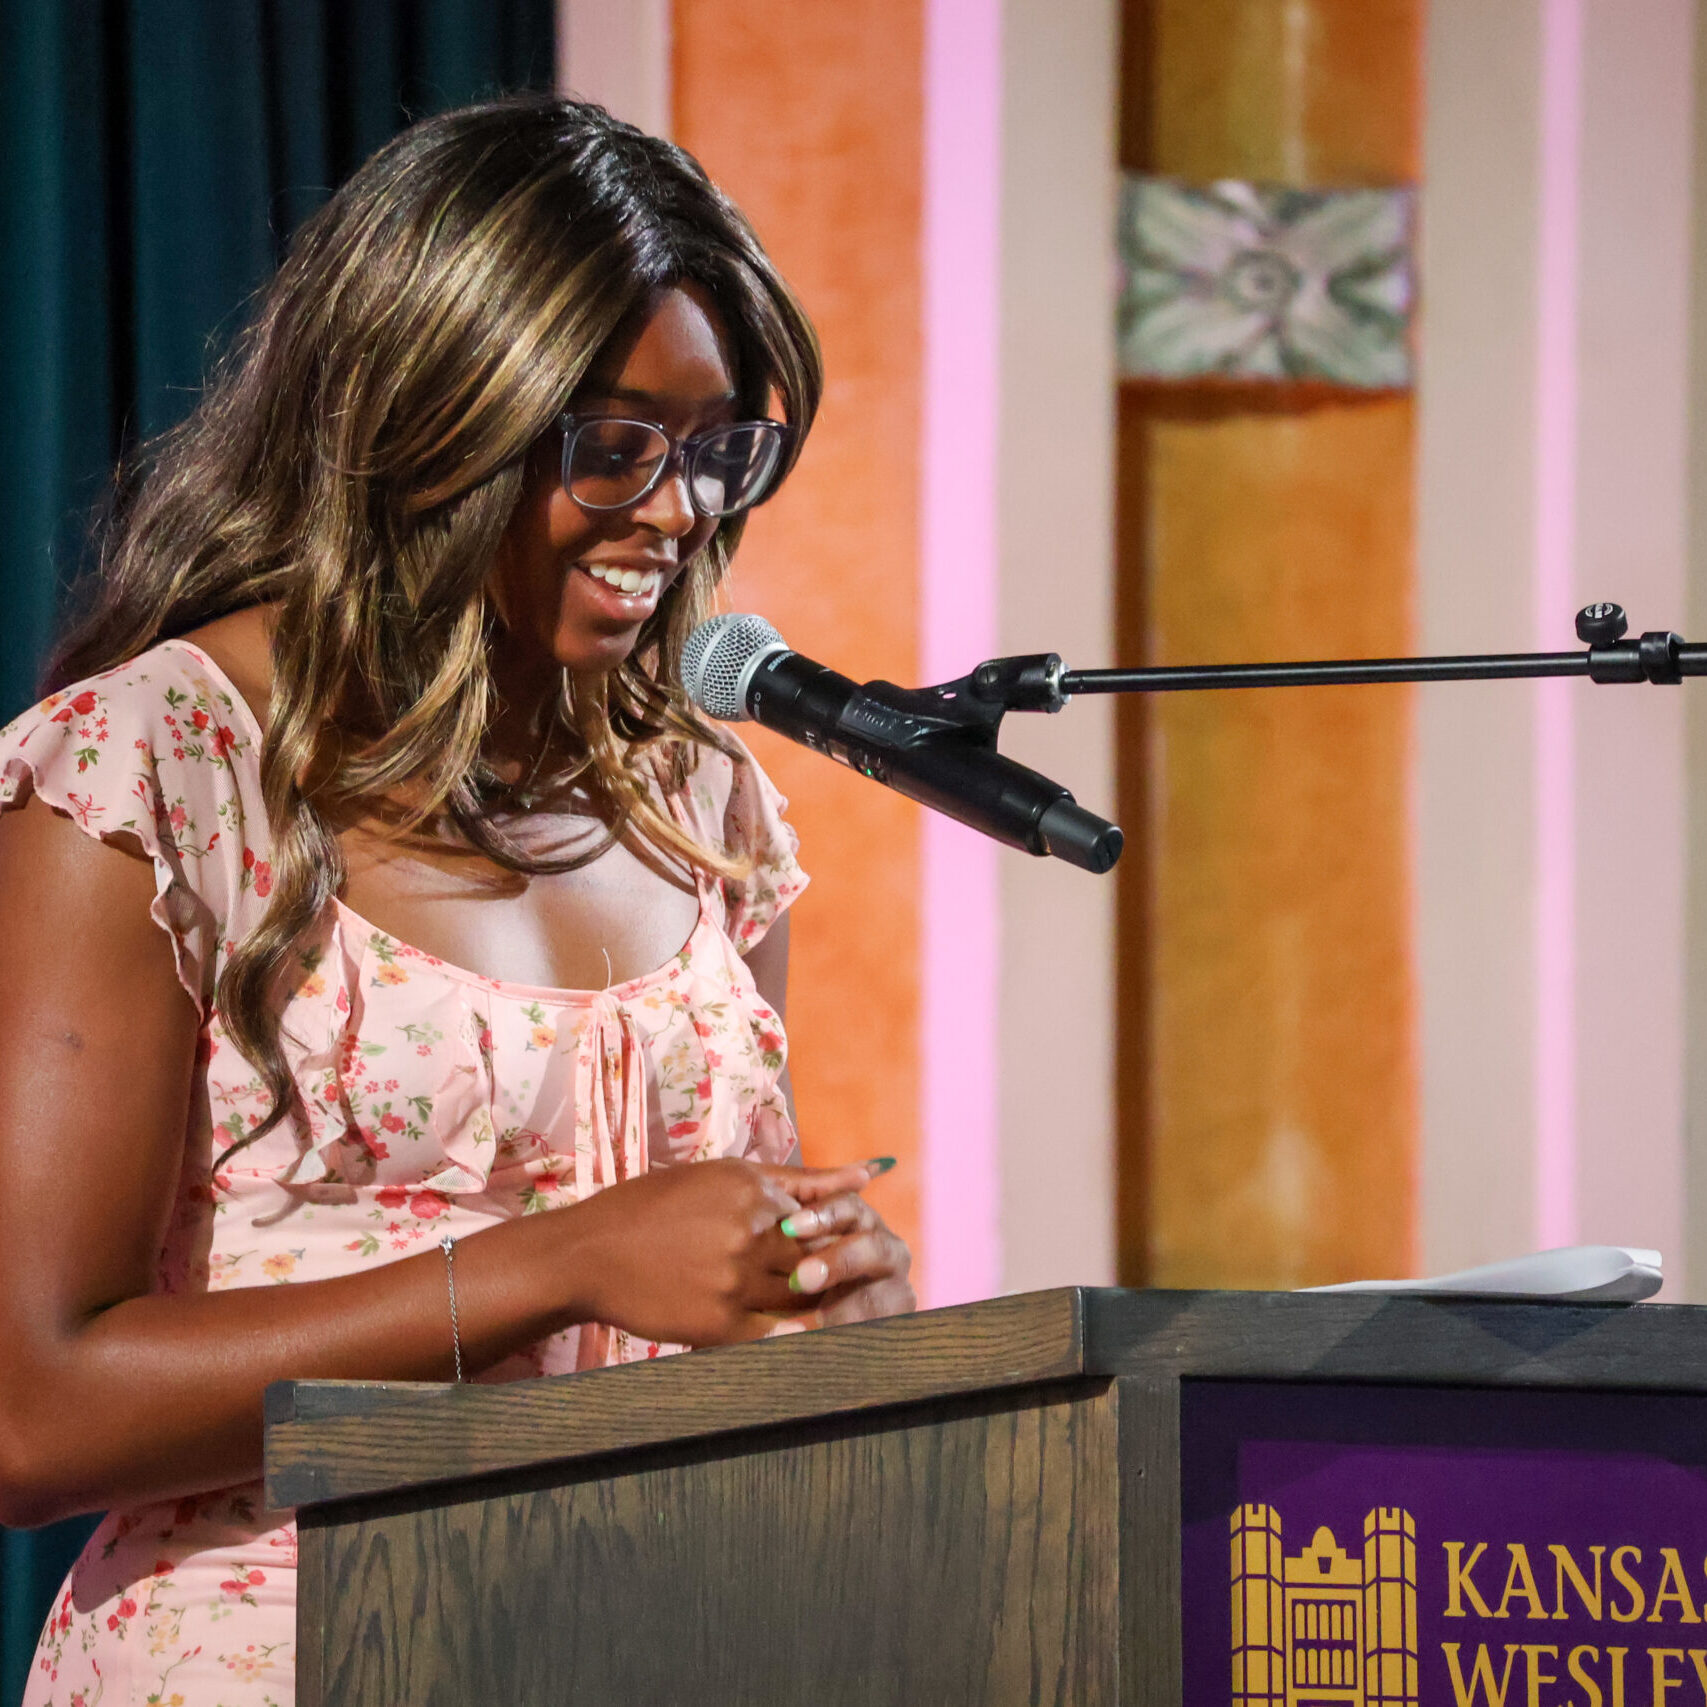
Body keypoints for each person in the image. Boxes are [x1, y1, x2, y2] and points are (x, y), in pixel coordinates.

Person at [0, 95, 914, 1707]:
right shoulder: (155, 767)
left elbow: (696, 1303)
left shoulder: (700, 799)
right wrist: (561, 1262)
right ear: (433, 418)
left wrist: (828, 1305)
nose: (681, 512)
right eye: (614, 447)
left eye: (717, 453)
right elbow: (30, 1405)